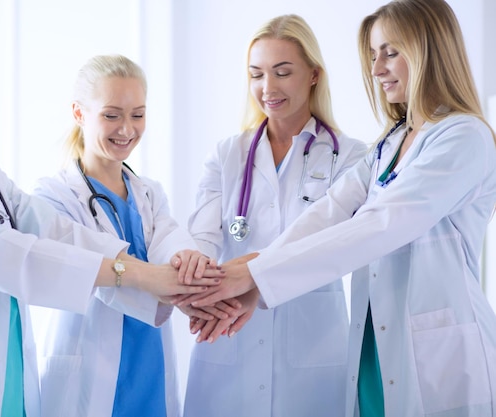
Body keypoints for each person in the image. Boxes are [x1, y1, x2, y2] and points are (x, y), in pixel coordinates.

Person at [0, 32, 220, 417]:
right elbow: (18, 258)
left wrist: (172, 277)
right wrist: (139, 275)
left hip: (6, 364)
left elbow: (51, 229)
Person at [184, 1, 496, 416]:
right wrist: (254, 283)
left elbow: (381, 225)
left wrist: (253, 273)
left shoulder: (463, 138)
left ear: (429, 50)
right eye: (373, 55)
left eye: (390, 52)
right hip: (375, 337)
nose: (376, 68)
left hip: (434, 345)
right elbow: (328, 213)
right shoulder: (390, 143)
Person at [180, 14, 367, 417]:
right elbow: (203, 237)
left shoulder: (350, 157)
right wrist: (199, 278)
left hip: (314, 349)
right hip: (228, 338)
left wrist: (253, 277)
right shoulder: (228, 154)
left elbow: (333, 242)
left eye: (283, 72)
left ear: (314, 75)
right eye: (256, 74)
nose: (268, 88)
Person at [30, 54, 225, 417]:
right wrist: (175, 289)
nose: (127, 129)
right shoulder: (53, 198)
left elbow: (171, 241)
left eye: (137, 114)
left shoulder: (148, 193)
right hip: (88, 369)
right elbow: (89, 272)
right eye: (111, 114)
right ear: (78, 113)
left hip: (148, 364)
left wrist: (192, 267)